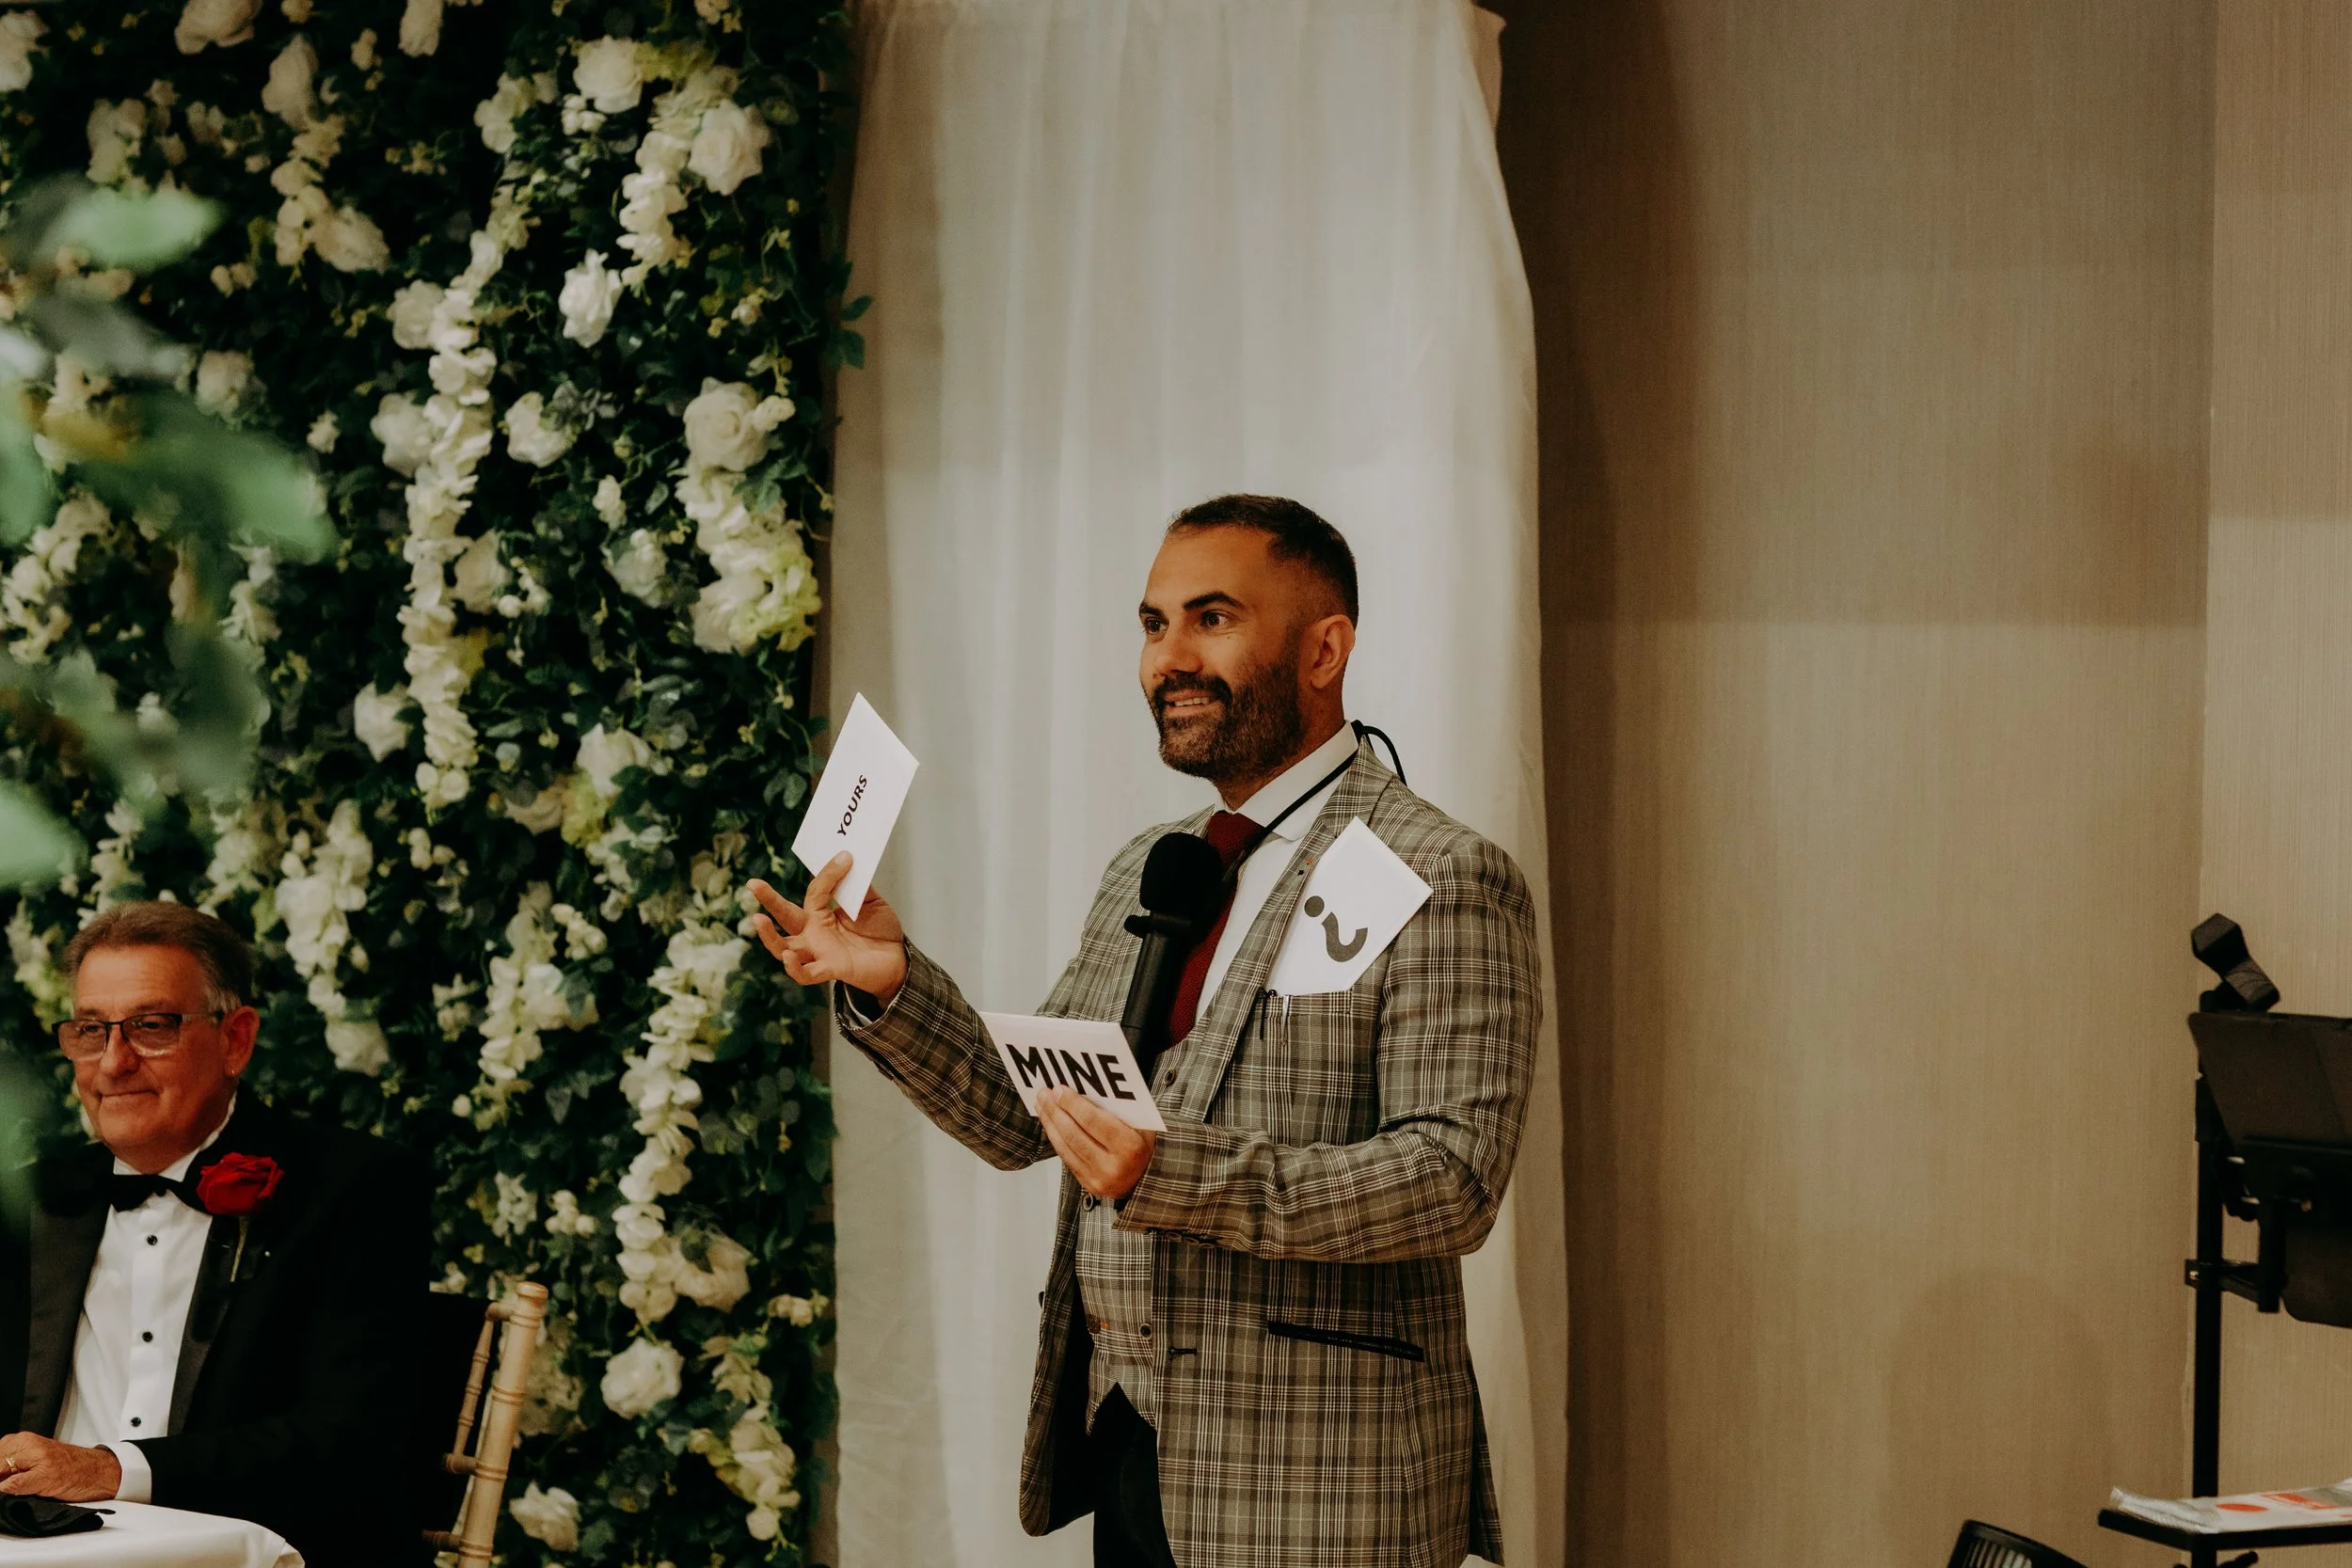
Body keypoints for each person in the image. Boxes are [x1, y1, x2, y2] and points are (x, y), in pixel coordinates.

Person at [750, 495, 1542, 1568]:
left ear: (1325, 647)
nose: (1167, 657)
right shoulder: (1152, 861)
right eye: (1152, 622)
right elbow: (1034, 1110)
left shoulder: (1441, 870)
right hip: (1133, 1451)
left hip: (1324, 1481)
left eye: (1209, 618)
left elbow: (1450, 1178)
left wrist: (1173, 1171)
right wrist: (890, 981)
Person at [0, 901, 431, 1564]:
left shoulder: (351, 1191)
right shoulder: (28, 1203)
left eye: (151, 1026)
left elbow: (356, 1442)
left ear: (236, 1039)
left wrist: (113, 1469)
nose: (112, 1062)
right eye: (90, 1028)